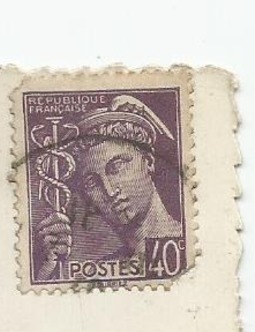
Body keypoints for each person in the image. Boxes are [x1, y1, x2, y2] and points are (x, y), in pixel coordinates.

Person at [35, 95, 181, 279]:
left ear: (149, 161)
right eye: (92, 182)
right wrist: (48, 272)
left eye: (117, 167)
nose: (109, 191)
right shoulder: (96, 273)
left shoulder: (195, 245)